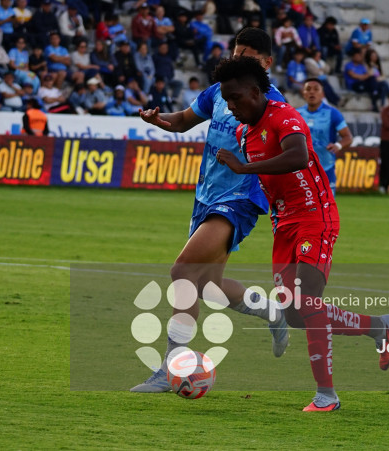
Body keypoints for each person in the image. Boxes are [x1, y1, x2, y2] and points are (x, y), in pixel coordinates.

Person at [213, 56, 389, 412]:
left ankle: (326, 396)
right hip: (283, 225)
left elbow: (298, 156)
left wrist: (244, 167)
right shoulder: (243, 131)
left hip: (316, 216)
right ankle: (378, 327)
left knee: (307, 304)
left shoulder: (285, 116)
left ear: (256, 92)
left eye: (235, 98)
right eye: (227, 99)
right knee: (296, 314)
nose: (231, 106)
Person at [131, 27, 290, 394]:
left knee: (182, 271)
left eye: (248, 55)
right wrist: (160, 119)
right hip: (206, 195)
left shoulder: (271, 102)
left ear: (266, 63)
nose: (239, 59)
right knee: (208, 287)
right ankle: (271, 310)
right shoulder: (219, 92)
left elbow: (287, 150)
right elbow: (186, 119)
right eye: (236, 52)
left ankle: (170, 368)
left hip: (240, 197)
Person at [296, 78, 353, 195]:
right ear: (304, 93)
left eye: (316, 89)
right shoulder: (296, 114)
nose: (312, 92)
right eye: (308, 89)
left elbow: (348, 137)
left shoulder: (333, 113)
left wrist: (338, 145)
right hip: (302, 169)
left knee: (328, 208)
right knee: (304, 209)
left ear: (322, 94)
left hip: (326, 167)